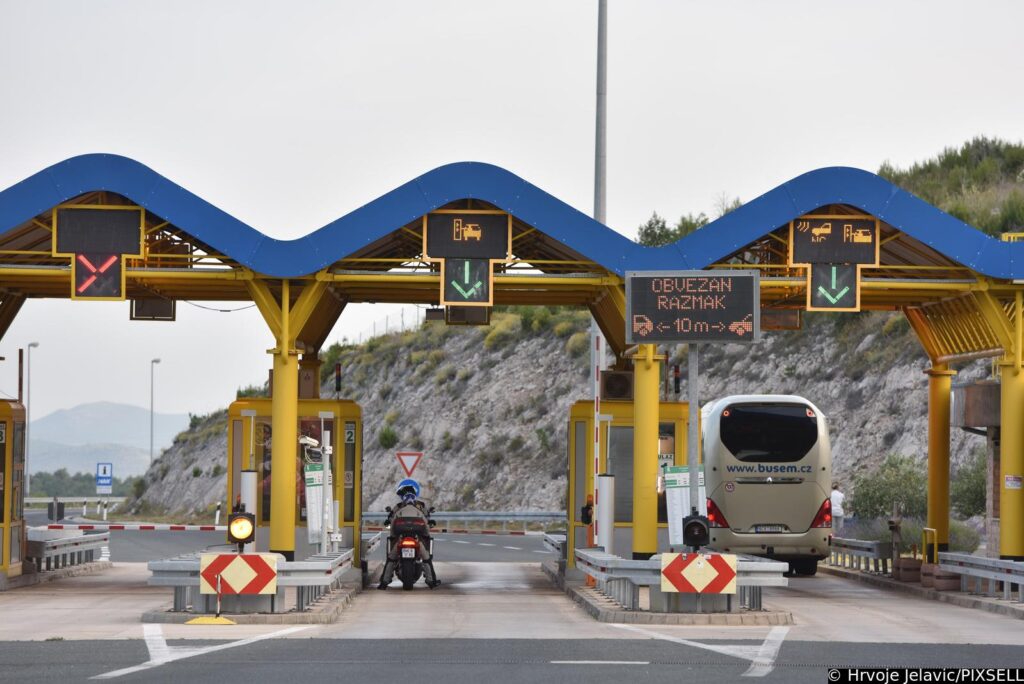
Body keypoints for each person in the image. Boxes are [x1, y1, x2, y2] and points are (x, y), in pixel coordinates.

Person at [378, 479, 440, 589]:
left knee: (391, 558)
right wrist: (427, 530)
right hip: (416, 537)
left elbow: (391, 519)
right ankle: (431, 581)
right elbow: (426, 519)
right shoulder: (420, 506)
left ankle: (384, 582)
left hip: (401, 536)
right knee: (426, 558)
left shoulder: (398, 506)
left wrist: (392, 531)